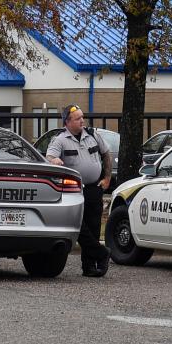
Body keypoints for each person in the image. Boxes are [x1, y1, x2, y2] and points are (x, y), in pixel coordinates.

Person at [45, 104, 113, 277]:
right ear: (67, 122)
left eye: (82, 117)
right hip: (74, 190)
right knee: (79, 227)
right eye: (78, 119)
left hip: (94, 188)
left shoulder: (92, 135)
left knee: (94, 227)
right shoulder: (60, 139)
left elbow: (106, 154)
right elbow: (50, 156)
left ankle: (89, 266)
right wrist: (55, 161)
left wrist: (107, 178)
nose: (82, 121)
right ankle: (101, 253)